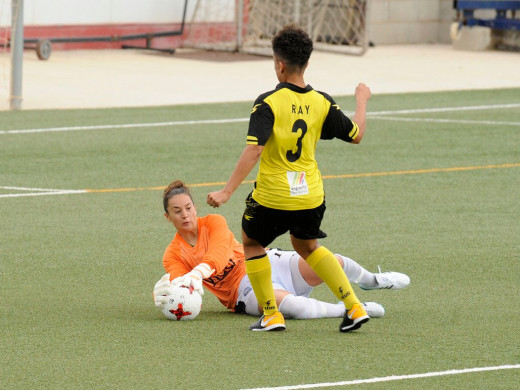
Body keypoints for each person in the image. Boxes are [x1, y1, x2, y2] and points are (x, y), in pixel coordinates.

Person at [206, 25, 373, 332]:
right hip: (310, 194)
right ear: (306, 63)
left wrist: (227, 192)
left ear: (279, 64)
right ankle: (354, 305)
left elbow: (254, 150)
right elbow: (356, 135)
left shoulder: (268, 102)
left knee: (252, 242)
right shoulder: (322, 102)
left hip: (273, 195)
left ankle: (270, 314)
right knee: (306, 245)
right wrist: (361, 100)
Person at [153, 181, 410, 322]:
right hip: (243, 292)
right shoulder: (172, 253)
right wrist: (167, 292)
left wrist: (197, 273)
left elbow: (218, 255)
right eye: (177, 211)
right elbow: (180, 282)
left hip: (268, 263)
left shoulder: (214, 222)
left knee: (333, 262)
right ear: (168, 217)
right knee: (292, 307)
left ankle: (374, 281)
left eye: (188, 207)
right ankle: (351, 309)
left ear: (195, 207)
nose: (185, 214)